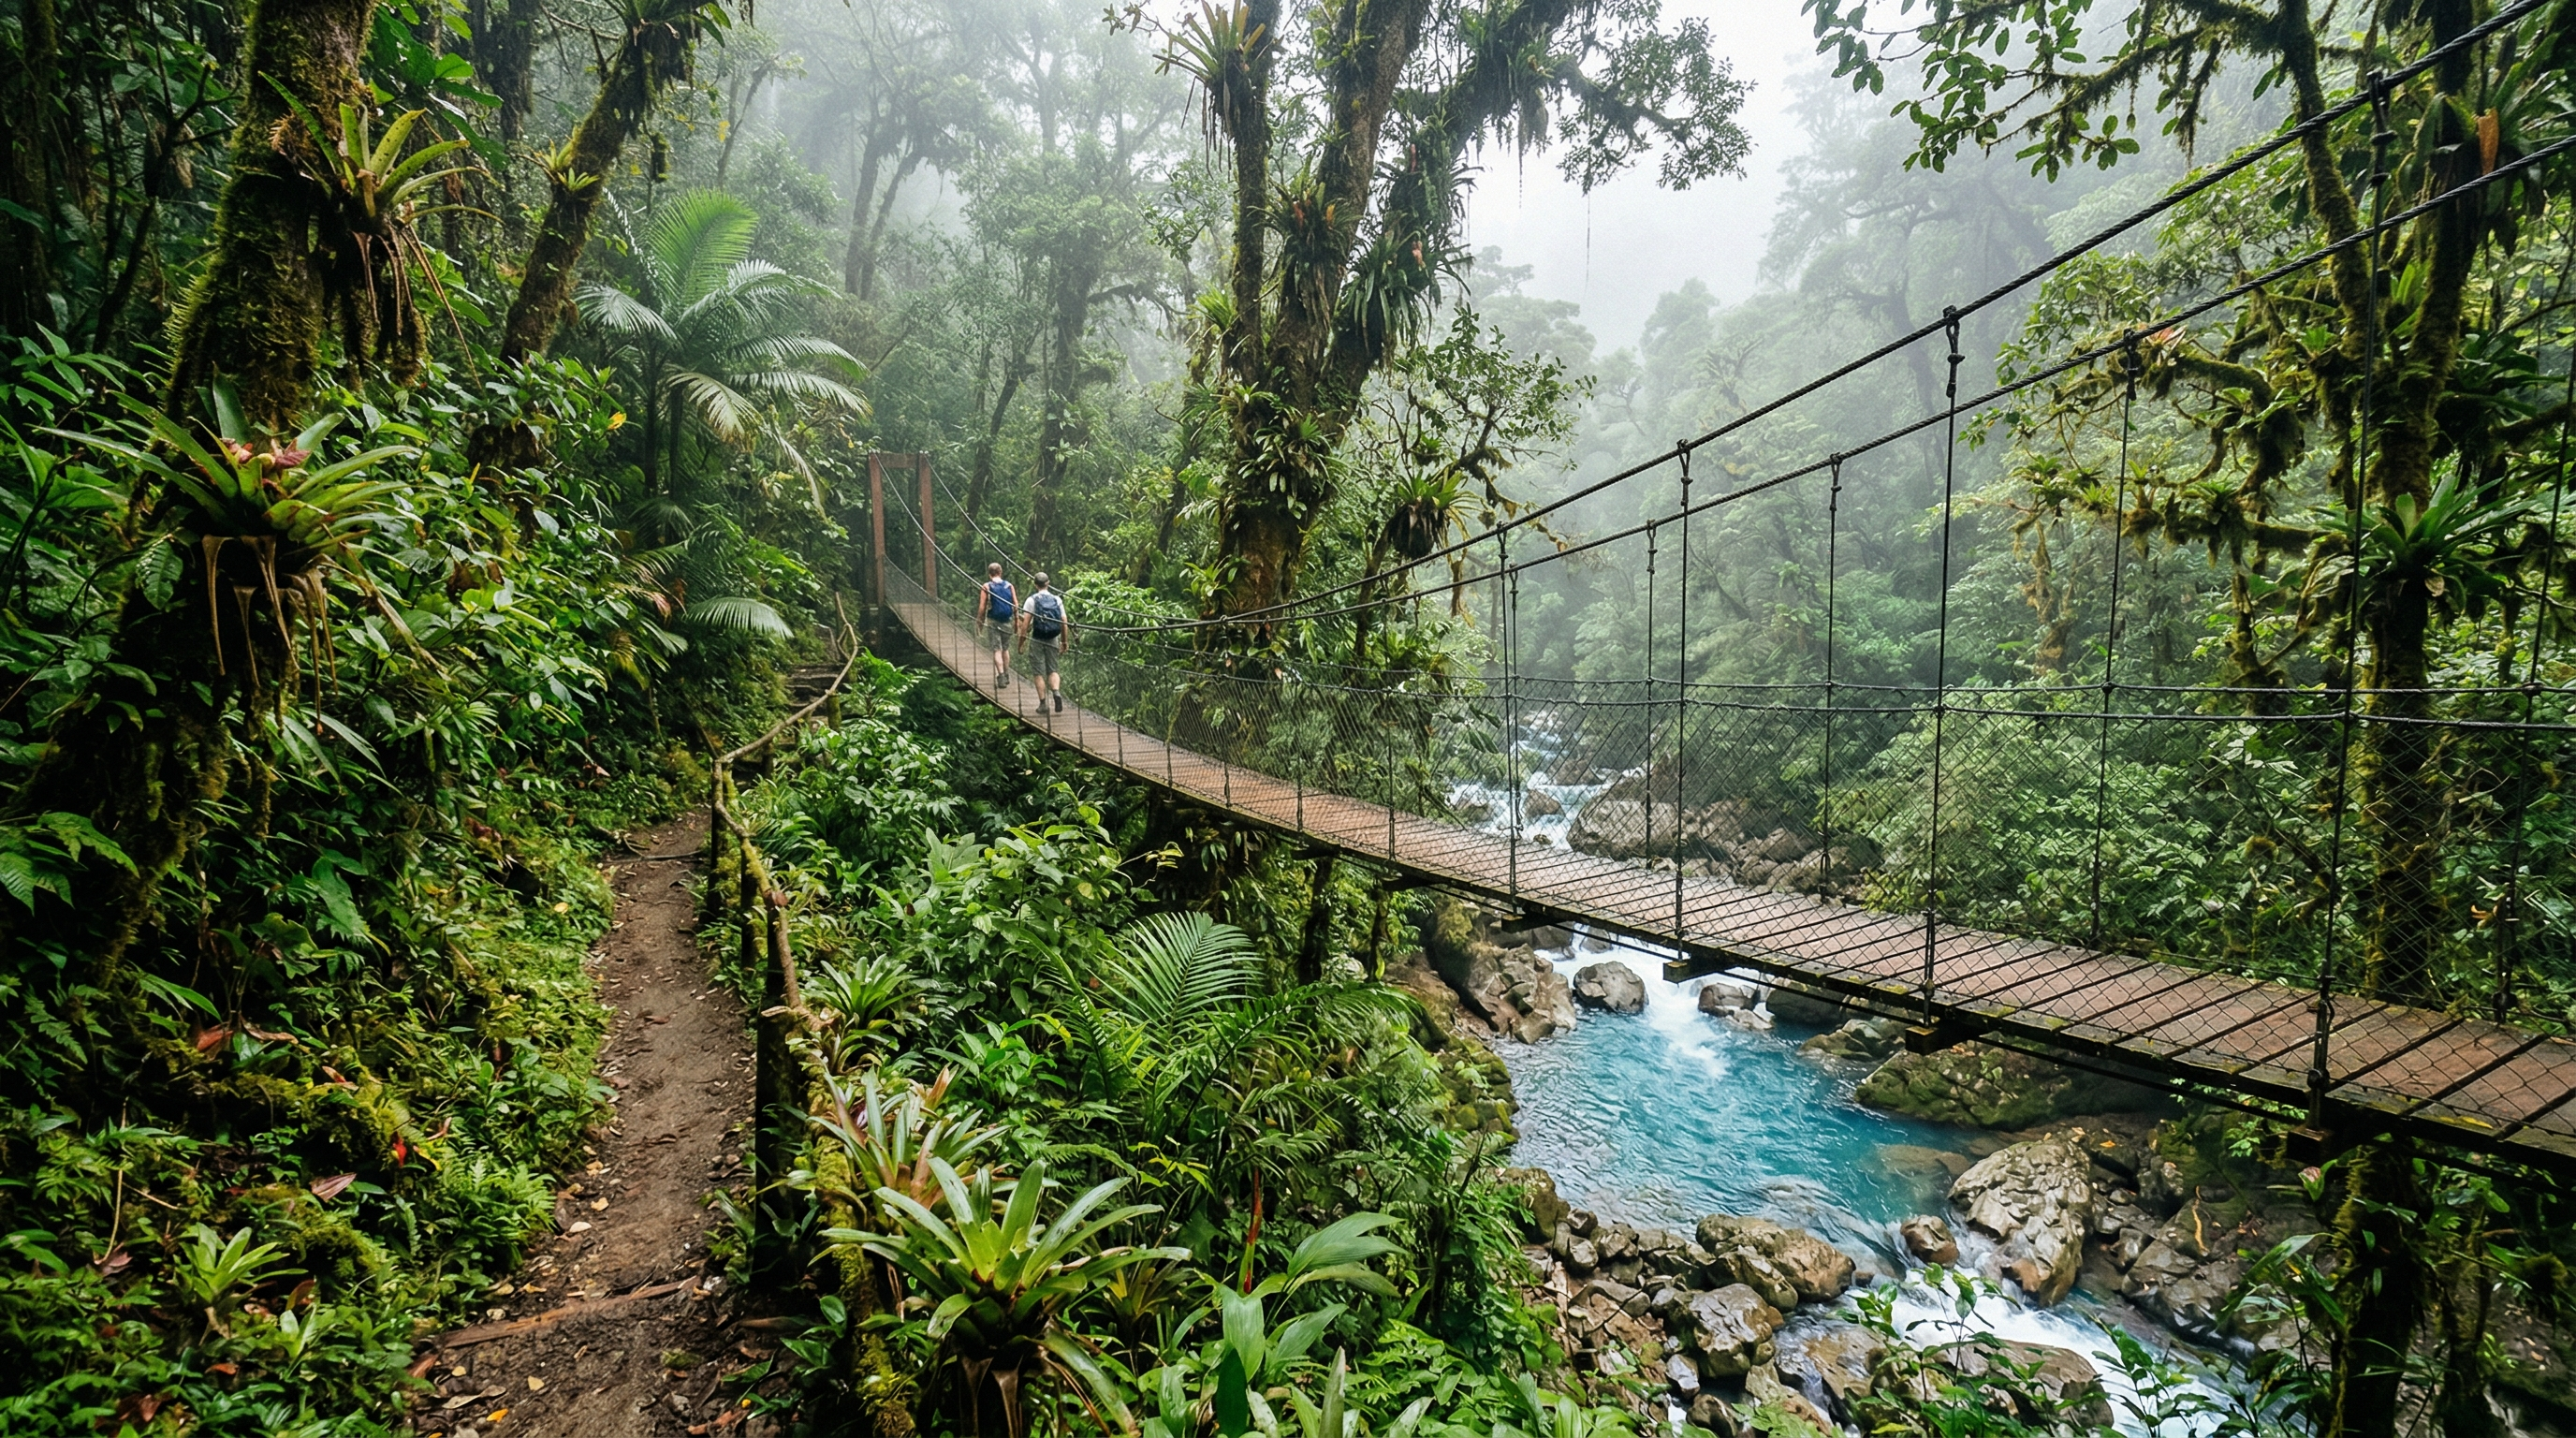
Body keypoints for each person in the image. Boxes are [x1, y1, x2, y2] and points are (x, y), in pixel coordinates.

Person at [1018, 572, 1072, 712]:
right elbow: (1064, 622)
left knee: (1038, 672)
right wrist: (1064, 641)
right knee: (1053, 669)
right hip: (1053, 638)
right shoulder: (1057, 600)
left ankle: (1043, 704)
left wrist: (1021, 643)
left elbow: (1025, 625)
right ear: (1048, 583)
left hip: (1037, 638)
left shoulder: (1031, 600)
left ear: (1035, 585)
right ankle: (1056, 692)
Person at [976, 562, 1017, 687]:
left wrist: (980, 621)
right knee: (1005, 649)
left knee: (997, 650)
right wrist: (1016, 621)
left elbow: (982, 607)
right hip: (1007, 621)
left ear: (990, 574)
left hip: (994, 621)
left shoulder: (986, 586)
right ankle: (1006, 674)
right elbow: (1015, 605)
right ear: (1001, 572)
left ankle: (1000, 677)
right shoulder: (1009, 586)